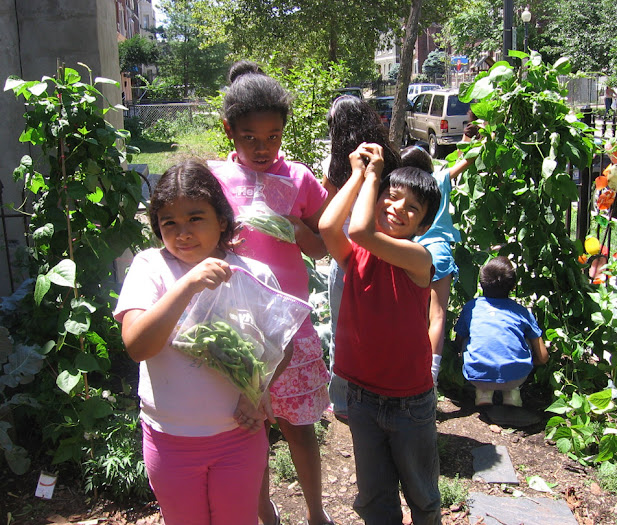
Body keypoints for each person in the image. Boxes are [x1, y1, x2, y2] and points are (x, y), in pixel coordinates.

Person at [114, 160, 276, 525]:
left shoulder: (253, 275)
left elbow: (280, 346)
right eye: (169, 222)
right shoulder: (151, 268)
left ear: (221, 220)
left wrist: (257, 392)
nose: (182, 232)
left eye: (195, 218)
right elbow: (138, 346)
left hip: (238, 436)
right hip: (169, 439)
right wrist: (187, 285)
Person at [209, 60, 333, 525]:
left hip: (289, 324)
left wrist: (297, 230)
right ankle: (264, 512)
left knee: (299, 427)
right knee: (250, 427)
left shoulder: (299, 179)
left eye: (273, 136)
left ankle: (317, 512)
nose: (263, 148)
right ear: (229, 131)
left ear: (284, 130)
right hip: (237, 323)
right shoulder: (215, 179)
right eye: (249, 138)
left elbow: (323, 247)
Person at [319, 142, 442, 525]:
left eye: (411, 208)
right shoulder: (356, 257)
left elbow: (357, 229)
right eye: (391, 197)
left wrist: (375, 175)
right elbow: (327, 226)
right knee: (374, 498)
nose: (397, 209)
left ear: (423, 225)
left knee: (422, 496)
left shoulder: (419, 258)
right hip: (362, 397)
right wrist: (357, 174)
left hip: (409, 401)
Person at [322, 95, 401, 419]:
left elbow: (327, 213)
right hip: (383, 254)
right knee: (385, 330)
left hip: (345, 257)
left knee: (343, 331)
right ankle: (384, 393)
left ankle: (342, 401)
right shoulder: (389, 159)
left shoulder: (336, 165)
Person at [401, 115, 479, 385]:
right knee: (437, 315)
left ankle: (408, 368)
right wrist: (478, 137)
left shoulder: (402, 187)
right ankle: (430, 378)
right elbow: (466, 161)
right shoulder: (439, 178)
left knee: (413, 315)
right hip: (439, 252)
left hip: (411, 252)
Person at [454, 256, 549, 407]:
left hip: (477, 375)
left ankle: (483, 393)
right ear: (513, 286)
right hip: (516, 377)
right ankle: (512, 393)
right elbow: (543, 357)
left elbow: (459, 341)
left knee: (466, 338)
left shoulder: (471, 307)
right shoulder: (521, 312)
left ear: (481, 283)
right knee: (524, 339)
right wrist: (525, 364)